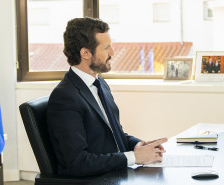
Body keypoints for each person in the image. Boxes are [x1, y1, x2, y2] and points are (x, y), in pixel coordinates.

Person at [47, 17, 167, 177]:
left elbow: (114, 134)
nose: (112, 53)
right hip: (95, 179)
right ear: (85, 53)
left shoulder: (100, 84)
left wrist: (140, 145)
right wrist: (135, 157)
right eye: (106, 48)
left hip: (114, 172)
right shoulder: (65, 97)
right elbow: (77, 163)